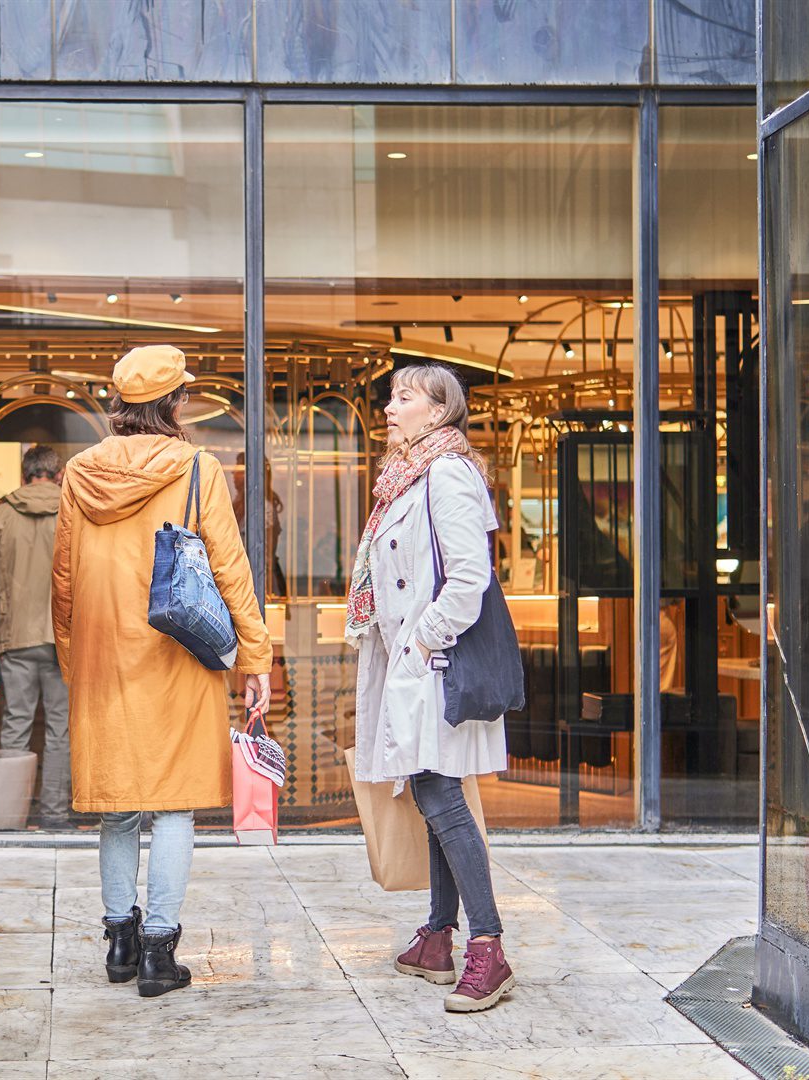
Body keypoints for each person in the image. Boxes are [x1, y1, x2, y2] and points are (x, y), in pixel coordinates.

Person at [53, 344, 272, 999]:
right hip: (176, 657)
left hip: (104, 660)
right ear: (175, 402)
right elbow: (229, 568)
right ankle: (158, 954)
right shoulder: (198, 469)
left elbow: (63, 578)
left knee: (118, 809)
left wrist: (73, 658)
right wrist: (254, 656)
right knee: (174, 807)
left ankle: (119, 939)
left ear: (118, 405)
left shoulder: (79, 473)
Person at [347, 362, 515, 1014]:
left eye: (404, 398)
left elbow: (469, 576)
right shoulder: (407, 479)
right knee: (430, 786)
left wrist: (420, 645)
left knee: (442, 796)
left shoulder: (445, 474)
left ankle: (489, 948)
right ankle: (439, 937)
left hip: (434, 664)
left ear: (439, 411)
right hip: (414, 666)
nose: (390, 408)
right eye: (390, 397)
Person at [0, 445, 71, 828]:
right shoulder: (73, 513)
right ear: (58, 473)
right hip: (64, 638)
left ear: (23, 473)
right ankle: (54, 813)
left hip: (14, 636)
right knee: (59, 728)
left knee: (16, 723)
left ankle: (11, 813)